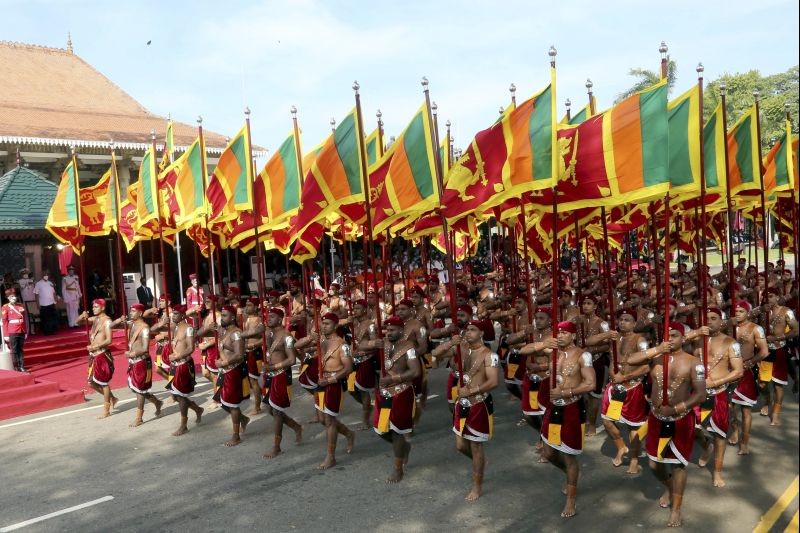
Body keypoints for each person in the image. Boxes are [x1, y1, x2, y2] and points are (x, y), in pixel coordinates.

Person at [628, 322, 707, 528]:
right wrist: (656, 350)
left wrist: (677, 408)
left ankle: (676, 509)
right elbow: (630, 359)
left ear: (683, 338)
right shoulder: (655, 358)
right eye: (666, 335)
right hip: (656, 417)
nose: (670, 339)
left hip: (680, 419)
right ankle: (670, 487)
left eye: (674, 335)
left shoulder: (694, 362)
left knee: (678, 465)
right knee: (654, 464)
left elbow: (701, 393)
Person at [432, 320, 500, 501]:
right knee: (461, 445)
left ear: (482, 333)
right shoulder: (460, 347)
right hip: (461, 403)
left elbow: (493, 382)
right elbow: (435, 354)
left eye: (472, 330)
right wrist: (450, 343)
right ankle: (481, 463)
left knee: (476, 446)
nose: (468, 332)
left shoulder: (489, 355)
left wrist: (471, 391)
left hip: (479, 403)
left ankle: (477, 486)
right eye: (466, 329)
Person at [539, 321, 595, 518]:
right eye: (558, 333)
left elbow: (590, 383)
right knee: (549, 453)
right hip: (554, 407)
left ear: (573, 335)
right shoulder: (552, 351)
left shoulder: (583, 356)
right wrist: (542, 343)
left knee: (569, 456)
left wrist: (566, 391)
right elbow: (524, 350)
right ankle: (572, 475)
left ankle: (571, 499)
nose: (560, 336)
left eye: (564, 333)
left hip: (572, 407)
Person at [693, 307, 742, 488]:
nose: (709, 321)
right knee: (692, 428)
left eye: (713, 318)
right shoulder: (697, 340)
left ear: (721, 321)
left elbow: (738, 371)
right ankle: (707, 448)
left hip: (718, 393)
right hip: (698, 393)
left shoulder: (731, 343)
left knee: (719, 435)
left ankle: (717, 472)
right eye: (706, 318)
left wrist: (715, 383)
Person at [372, 315, 420, 483]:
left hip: (401, 393)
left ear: (401, 330)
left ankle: (398, 469)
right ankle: (403, 447)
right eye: (387, 330)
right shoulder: (382, 343)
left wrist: (393, 379)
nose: (388, 333)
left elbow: (415, 372)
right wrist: (372, 344)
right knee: (380, 429)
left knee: (397, 431)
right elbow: (358, 349)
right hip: (384, 393)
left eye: (392, 330)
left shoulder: (409, 347)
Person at [600, 311, 650, 473]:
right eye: (620, 320)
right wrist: (614, 376)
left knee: (632, 427)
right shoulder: (615, 338)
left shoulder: (640, 340)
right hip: (615, 386)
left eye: (627, 320)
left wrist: (626, 376)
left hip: (633, 387)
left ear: (634, 324)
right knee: (607, 420)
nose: (622, 323)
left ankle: (634, 459)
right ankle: (621, 447)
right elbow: (612, 359)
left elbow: (646, 366)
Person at [111, 303, 163, 427]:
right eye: (130, 311)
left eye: (133, 311)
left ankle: (139, 417)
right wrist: (119, 319)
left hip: (142, 361)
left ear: (140, 313)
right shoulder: (131, 324)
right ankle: (156, 402)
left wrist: (132, 353)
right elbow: (111, 326)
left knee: (139, 390)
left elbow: (145, 348)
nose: (131, 313)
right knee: (138, 388)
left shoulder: (144, 328)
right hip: (133, 361)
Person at [315, 312, 356, 469]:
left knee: (329, 420)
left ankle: (330, 457)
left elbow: (348, 368)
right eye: (323, 323)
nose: (324, 326)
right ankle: (348, 433)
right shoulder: (322, 342)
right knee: (322, 419)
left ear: (336, 325)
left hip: (333, 384)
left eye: (327, 324)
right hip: (321, 382)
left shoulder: (342, 345)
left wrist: (330, 380)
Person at [261, 306, 303, 458]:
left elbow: (292, 360)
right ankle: (296, 426)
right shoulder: (268, 333)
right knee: (269, 409)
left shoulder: (287, 337)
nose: (268, 319)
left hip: (281, 374)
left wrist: (274, 366)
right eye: (268, 316)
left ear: (280, 319)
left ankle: (276, 446)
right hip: (269, 375)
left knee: (277, 411)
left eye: (271, 317)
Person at [729, 300, 768, 455]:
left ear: (748, 313)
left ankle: (745, 442)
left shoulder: (756, 329)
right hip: (729, 372)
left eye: (741, 312)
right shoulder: (728, 327)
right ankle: (735, 429)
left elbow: (764, 351)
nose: (737, 314)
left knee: (746, 410)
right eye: (735, 311)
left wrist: (750, 363)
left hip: (746, 372)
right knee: (730, 408)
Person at [209, 305, 250, 446]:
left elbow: (239, 355)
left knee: (232, 404)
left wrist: (224, 362)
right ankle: (243, 419)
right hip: (224, 371)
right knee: (222, 401)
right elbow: (201, 333)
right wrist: (210, 326)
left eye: (225, 315)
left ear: (232, 317)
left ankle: (236, 435)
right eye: (222, 315)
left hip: (233, 370)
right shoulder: (222, 330)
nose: (222, 318)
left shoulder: (236, 333)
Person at [758, 288, 799, 426]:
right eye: (765, 297)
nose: (768, 299)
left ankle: (775, 413)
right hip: (765, 351)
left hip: (780, 349)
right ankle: (767, 399)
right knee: (762, 383)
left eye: (771, 296)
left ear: (778, 296)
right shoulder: (761, 310)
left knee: (778, 385)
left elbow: (796, 330)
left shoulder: (786, 311)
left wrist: (780, 336)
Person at [161, 304, 204, 436]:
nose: (173, 316)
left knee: (181, 396)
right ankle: (197, 409)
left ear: (183, 315)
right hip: (175, 365)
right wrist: (163, 323)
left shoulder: (188, 328)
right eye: (172, 313)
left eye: (175, 314)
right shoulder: (175, 327)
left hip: (183, 364)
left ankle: (183, 425)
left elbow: (191, 348)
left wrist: (179, 355)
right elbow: (157, 329)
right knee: (178, 396)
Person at [78, 299, 118, 419]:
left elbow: (109, 340)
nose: (93, 309)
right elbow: (78, 322)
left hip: (102, 354)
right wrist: (82, 316)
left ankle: (106, 410)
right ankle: (112, 398)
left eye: (96, 307)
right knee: (91, 383)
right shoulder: (95, 319)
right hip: (93, 355)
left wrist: (95, 346)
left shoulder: (107, 321)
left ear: (102, 308)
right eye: (93, 307)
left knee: (103, 382)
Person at [241, 297, 266, 415]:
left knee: (254, 380)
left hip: (254, 352)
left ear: (256, 307)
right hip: (247, 352)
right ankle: (259, 400)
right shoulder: (247, 319)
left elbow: (264, 339)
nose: (247, 307)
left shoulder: (258, 320)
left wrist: (253, 345)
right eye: (246, 304)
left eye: (249, 305)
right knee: (251, 380)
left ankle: (257, 406)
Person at [2, 289, 27, 372]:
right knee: (14, 349)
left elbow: (24, 319)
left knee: (20, 349)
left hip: (21, 330)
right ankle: (16, 366)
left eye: (14, 296)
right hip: (12, 330)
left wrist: (25, 331)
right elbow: (5, 321)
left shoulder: (20, 306)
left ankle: (22, 366)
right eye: (12, 296)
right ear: (8, 298)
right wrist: (5, 334)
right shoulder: (5, 307)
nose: (14, 297)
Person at [34, 270, 59, 335]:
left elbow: (54, 293)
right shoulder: (38, 284)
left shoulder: (50, 283)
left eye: (47, 275)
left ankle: (52, 330)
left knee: (52, 317)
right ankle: (46, 331)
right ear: (42, 276)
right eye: (44, 275)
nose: (46, 276)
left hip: (51, 303)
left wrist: (56, 300)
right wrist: (37, 304)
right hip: (43, 304)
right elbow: (36, 294)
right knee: (45, 318)